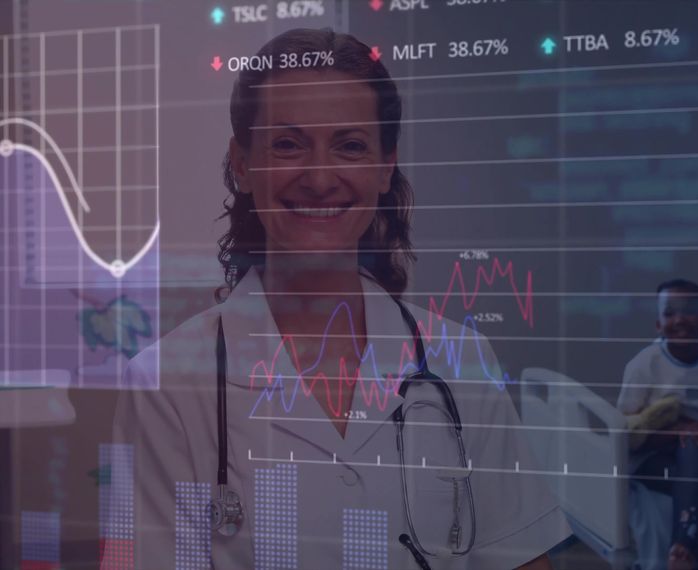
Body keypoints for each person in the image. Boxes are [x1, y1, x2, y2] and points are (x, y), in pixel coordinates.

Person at [111, 28, 570, 569]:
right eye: (287, 144)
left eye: (350, 145)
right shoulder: (167, 383)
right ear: (242, 164)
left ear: (384, 167)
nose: (320, 177)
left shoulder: (461, 361)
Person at [617, 279, 698, 570]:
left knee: (694, 454)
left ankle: (680, 550)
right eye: (669, 313)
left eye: (689, 311)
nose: (679, 320)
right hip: (653, 457)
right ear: (657, 324)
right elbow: (628, 424)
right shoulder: (644, 364)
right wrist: (673, 431)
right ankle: (685, 546)